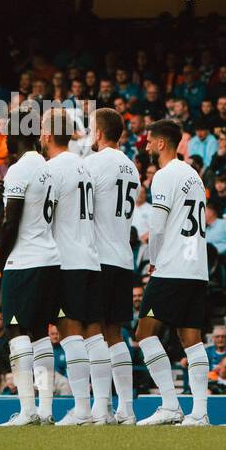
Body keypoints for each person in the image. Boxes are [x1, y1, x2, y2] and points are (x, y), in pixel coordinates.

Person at [136, 119, 211, 426]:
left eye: (150, 141)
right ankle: (200, 411)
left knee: (144, 334)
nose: (147, 146)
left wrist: (152, 260)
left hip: (173, 267)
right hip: (197, 267)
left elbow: (157, 226)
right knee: (191, 337)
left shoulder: (164, 176)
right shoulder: (193, 176)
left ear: (162, 143)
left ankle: (170, 404)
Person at [40, 106, 102, 426]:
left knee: (70, 334)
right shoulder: (84, 167)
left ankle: (82, 411)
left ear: (48, 135)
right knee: (93, 335)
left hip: (68, 261)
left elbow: (45, 218)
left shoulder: (52, 170)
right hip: (90, 257)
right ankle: (98, 408)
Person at [0, 122, 61, 426]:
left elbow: (11, 223)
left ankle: (26, 410)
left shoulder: (19, 169)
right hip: (49, 257)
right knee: (39, 334)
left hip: (24, 260)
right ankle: (46, 408)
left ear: (16, 136)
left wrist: (0, 262)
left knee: (16, 331)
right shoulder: (47, 168)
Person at [84, 107, 141, 423]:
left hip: (97, 257)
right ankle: (126, 409)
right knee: (114, 333)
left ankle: (101, 407)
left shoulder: (94, 163)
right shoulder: (131, 167)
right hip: (122, 255)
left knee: (93, 331)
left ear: (99, 131)